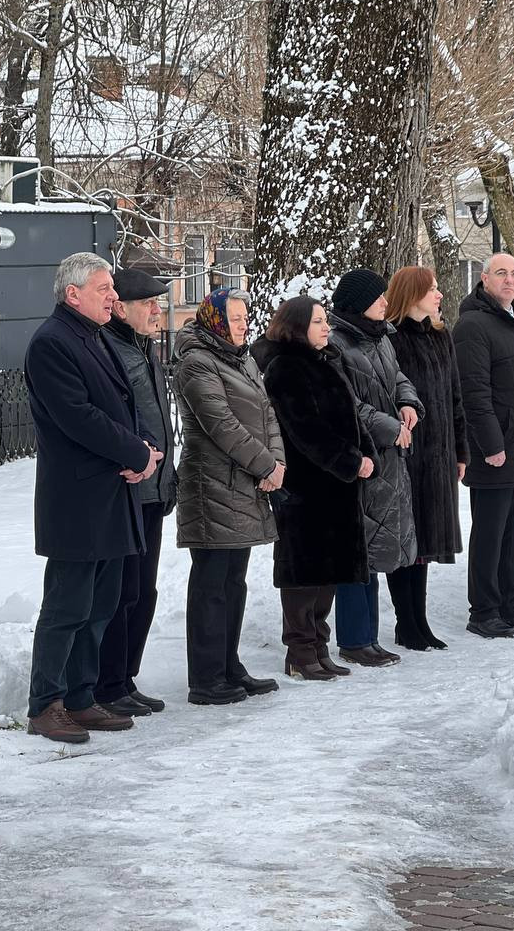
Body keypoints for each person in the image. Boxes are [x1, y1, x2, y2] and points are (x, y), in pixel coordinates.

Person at [23, 253, 162, 743]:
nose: (114, 296)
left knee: (102, 603)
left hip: (113, 492)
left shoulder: (96, 338)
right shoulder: (51, 343)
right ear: (72, 293)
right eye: (104, 289)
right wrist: (133, 450)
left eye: (112, 288)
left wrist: (145, 448)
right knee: (68, 606)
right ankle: (47, 703)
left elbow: (128, 404)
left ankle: (82, 697)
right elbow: (78, 416)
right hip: (77, 498)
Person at [253, 296, 375, 680]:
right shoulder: (285, 368)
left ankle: (319, 645)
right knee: (304, 572)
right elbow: (305, 429)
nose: (327, 327)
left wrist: (366, 452)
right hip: (307, 487)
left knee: (329, 571)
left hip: (337, 487)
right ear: (297, 326)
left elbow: (350, 416)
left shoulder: (325, 362)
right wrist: (350, 461)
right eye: (319, 321)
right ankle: (300, 650)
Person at [174, 288, 284, 704]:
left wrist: (276, 461)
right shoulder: (197, 362)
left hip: (246, 484)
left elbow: (267, 414)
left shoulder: (243, 359)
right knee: (211, 583)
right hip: (212, 485)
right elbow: (221, 425)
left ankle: (228, 665)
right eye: (236, 318)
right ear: (215, 320)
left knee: (233, 582)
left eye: (245, 317)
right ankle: (205, 678)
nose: (244, 325)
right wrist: (267, 466)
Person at [326, 269, 422, 663]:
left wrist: (408, 403)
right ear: (359, 302)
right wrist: (389, 428)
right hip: (361, 458)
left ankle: (368, 635)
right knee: (357, 551)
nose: (386, 303)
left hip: (387, 459)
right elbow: (344, 404)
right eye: (379, 297)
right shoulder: (335, 344)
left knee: (376, 550)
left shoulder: (381, 338)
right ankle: (353, 638)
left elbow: (398, 378)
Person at [453, 253, 514, 638]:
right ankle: (484, 611)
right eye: (501, 274)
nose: (509, 280)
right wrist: (491, 444)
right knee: (490, 533)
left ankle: (511, 605)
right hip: (495, 450)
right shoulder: (473, 325)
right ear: (484, 278)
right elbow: (474, 392)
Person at [94, 268, 177, 716]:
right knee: (125, 592)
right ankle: (110, 683)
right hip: (130, 487)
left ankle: (126, 677)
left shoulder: (143, 349)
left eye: (159, 304)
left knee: (144, 592)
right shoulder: (113, 349)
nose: (157, 312)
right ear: (121, 308)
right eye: (148, 304)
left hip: (154, 487)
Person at [386, 267, 469, 649]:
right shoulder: (393, 338)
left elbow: (455, 396)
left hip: (439, 453)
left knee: (425, 542)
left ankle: (419, 621)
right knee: (407, 538)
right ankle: (407, 622)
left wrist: (460, 449)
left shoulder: (441, 336)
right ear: (412, 293)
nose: (438, 295)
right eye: (431, 289)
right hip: (407, 452)